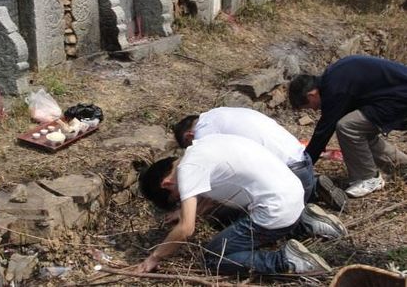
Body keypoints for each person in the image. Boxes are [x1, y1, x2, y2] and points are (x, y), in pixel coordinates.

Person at [137, 134, 347, 275]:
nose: (182, 198)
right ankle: (306, 222)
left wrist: (155, 257)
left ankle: (285, 260)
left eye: (176, 197)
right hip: (293, 193)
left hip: (276, 211)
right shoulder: (202, 145)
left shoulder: (187, 171)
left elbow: (186, 229)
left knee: (212, 258)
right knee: (228, 214)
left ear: (166, 184)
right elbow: (207, 196)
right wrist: (184, 210)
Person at [173, 107, 348, 210]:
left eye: (189, 145)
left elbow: (208, 178)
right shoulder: (220, 113)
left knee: (239, 211)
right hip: (303, 159)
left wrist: (189, 208)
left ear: (189, 135)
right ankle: (314, 186)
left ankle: (309, 211)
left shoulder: (204, 134)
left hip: (290, 174)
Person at [289, 55, 407, 198]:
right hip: (393, 94)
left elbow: (324, 131)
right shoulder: (333, 79)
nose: (313, 110)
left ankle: (368, 178)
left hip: (398, 96)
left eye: (308, 106)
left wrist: (304, 167)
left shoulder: (335, 89)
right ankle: (402, 167)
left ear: (311, 95)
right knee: (359, 128)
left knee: (347, 127)